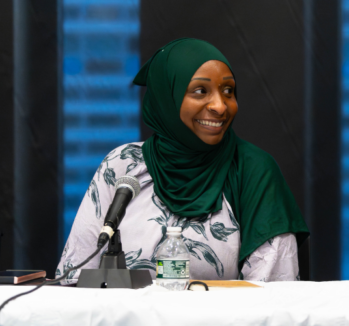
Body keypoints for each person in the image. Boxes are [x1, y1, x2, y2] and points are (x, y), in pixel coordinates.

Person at [57, 38, 309, 283]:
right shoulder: (122, 164)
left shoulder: (253, 170)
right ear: (167, 96)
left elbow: (273, 296)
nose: (220, 106)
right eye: (200, 91)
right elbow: (76, 276)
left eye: (228, 91)